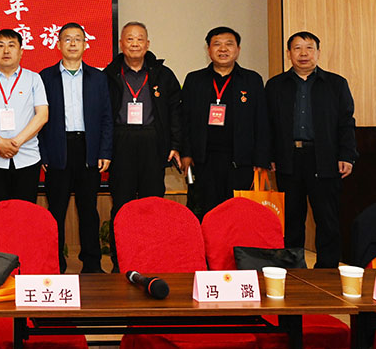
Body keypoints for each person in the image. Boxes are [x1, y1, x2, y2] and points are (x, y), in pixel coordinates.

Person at [266, 31, 357, 268]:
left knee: (327, 219)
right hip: (288, 159)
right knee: (292, 219)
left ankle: (327, 270)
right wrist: (269, 156)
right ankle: (293, 269)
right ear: (289, 53)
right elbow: (268, 124)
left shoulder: (336, 84)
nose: (303, 53)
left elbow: (346, 122)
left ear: (318, 52)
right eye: (297, 48)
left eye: (309, 48)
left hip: (325, 158)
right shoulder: (275, 85)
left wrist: (347, 155)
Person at [104, 21, 181, 271]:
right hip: (121, 141)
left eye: (140, 39)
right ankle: (120, 261)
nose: (135, 44)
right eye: (130, 39)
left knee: (153, 203)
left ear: (147, 44)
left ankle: (152, 257)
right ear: (121, 44)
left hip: (153, 142)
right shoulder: (109, 74)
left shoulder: (163, 75)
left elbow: (175, 112)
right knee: (122, 204)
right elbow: (101, 115)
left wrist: (175, 144)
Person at [37, 23, 112, 273]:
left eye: (77, 39)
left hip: (88, 149)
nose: (72, 44)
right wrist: (44, 153)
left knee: (88, 210)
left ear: (85, 45)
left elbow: (106, 117)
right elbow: (38, 119)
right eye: (67, 39)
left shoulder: (98, 78)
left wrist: (105, 151)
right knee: (56, 211)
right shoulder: (45, 77)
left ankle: (92, 264)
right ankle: (55, 264)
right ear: (58, 44)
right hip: (57, 149)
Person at [180, 26, 269, 217]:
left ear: (238, 49)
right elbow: (184, 119)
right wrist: (186, 153)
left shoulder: (251, 80)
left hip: (241, 161)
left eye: (229, 44)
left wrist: (261, 159)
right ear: (208, 49)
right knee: (206, 212)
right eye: (217, 44)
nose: (223, 49)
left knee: (237, 214)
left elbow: (261, 121)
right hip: (204, 160)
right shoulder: (195, 80)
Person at [0, 29, 49, 206]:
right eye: (0, 46)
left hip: (27, 157)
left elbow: (42, 115)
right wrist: (0, 143)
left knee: (25, 212)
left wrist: (15, 143)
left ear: (21, 51)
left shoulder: (34, 79)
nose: (6, 51)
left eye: (11, 45)